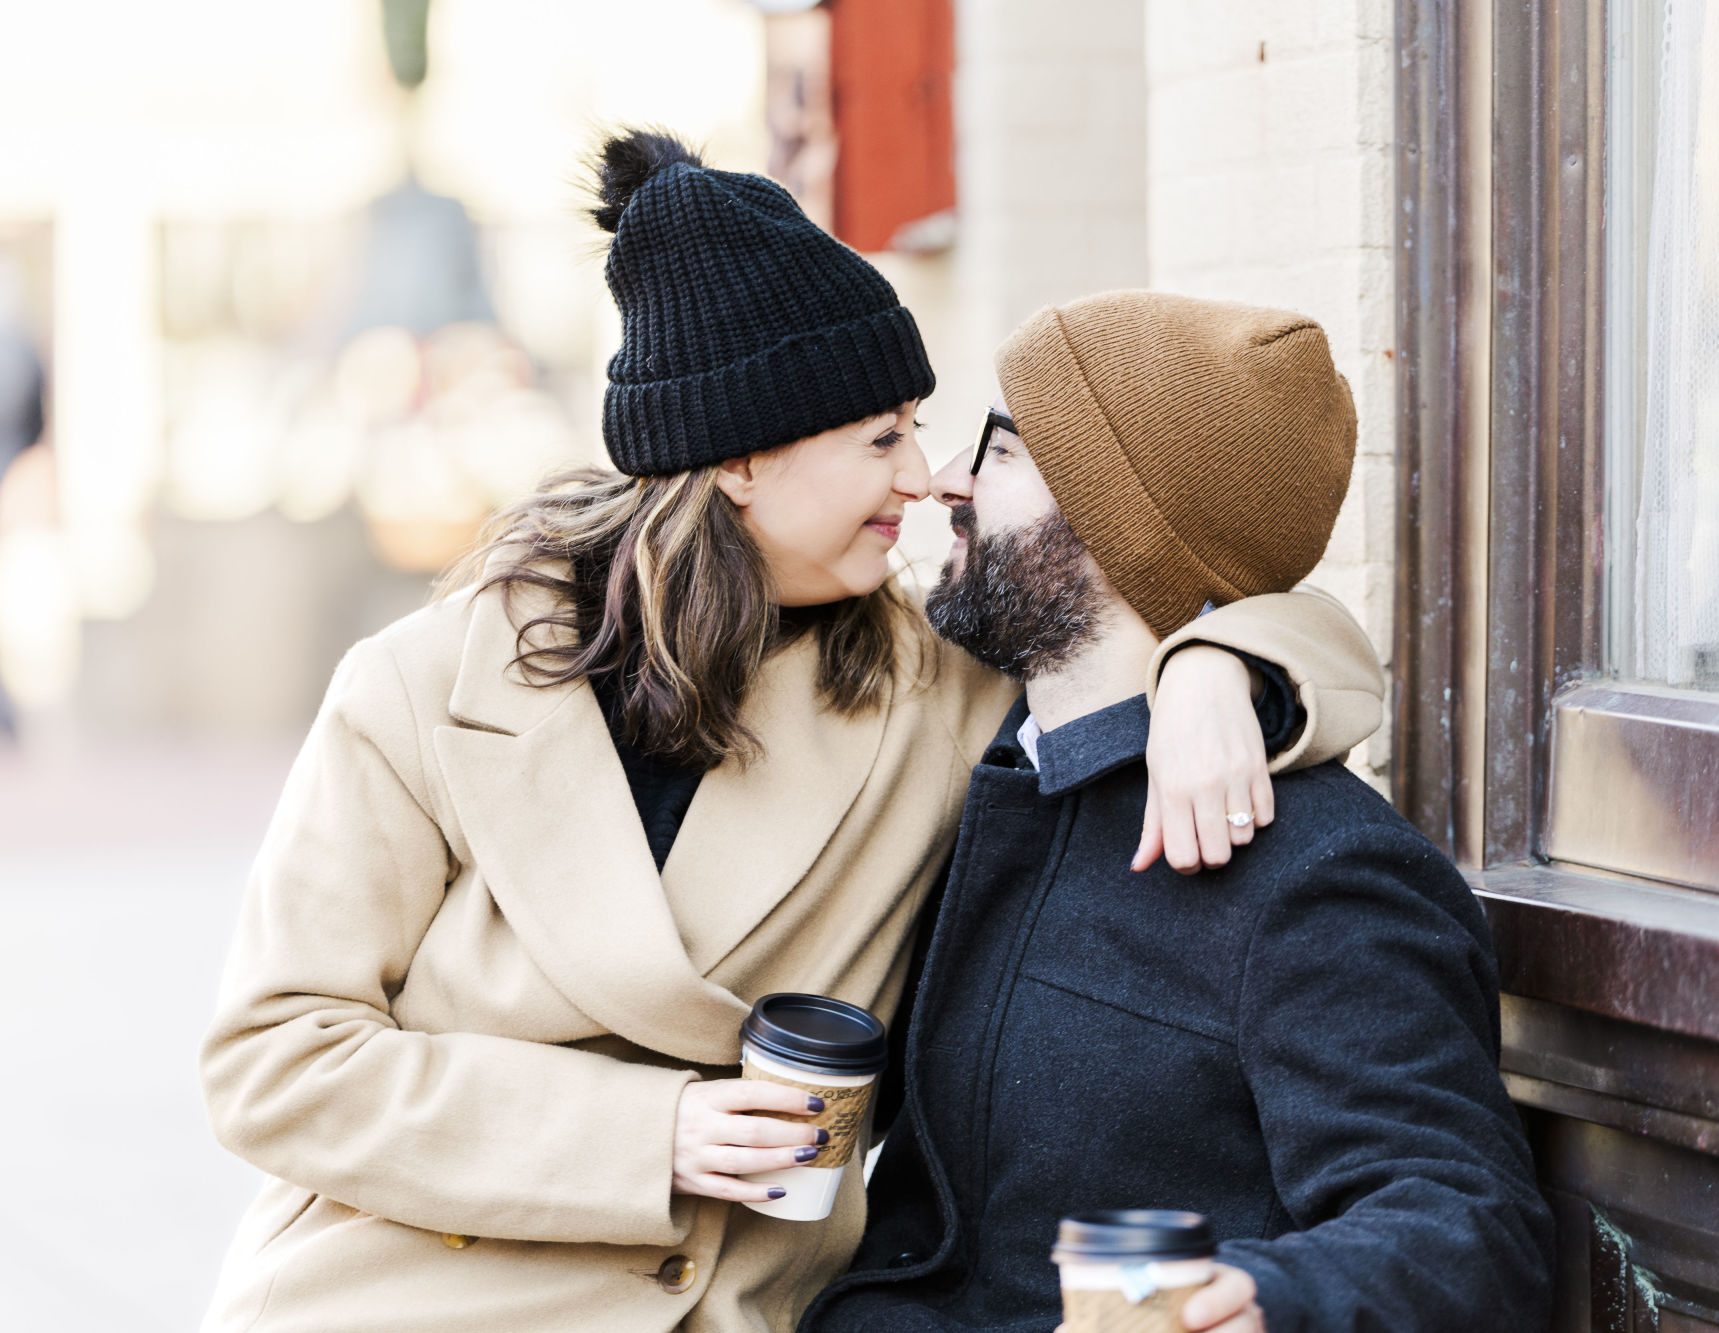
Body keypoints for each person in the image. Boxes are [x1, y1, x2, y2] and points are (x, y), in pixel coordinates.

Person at [196, 134, 1377, 1333]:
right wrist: (647, 1134)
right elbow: (274, 1059)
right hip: (399, 1294)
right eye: (882, 435)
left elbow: (1161, 600)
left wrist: (1224, 662)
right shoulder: (421, 687)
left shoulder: (932, 687)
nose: (924, 477)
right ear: (746, 457)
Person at [800, 292, 1556, 1333]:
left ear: (1118, 528)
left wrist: (1255, 1301)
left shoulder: (1318, 873)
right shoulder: (990, 768)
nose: (947, 482)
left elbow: (1465, 1225)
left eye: (1003, 453)